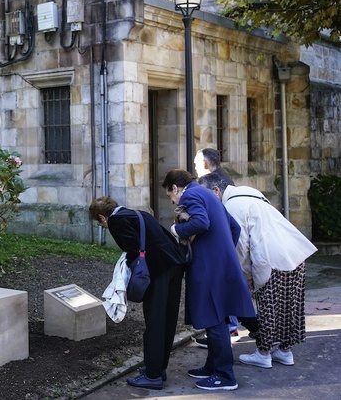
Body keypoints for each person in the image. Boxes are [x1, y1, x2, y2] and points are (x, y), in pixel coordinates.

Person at [198, 172, 318, 369]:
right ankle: (284, 352)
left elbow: (241, 247)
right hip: (293, 250)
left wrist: (246, 276)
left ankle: (264, 354)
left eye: (205, 196)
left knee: (269, 307)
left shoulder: (230, 207)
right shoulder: (248, 193)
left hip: (271, 256)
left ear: (216, 191)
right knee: (288, 306)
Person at [161, 169, 255, 391]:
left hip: (208, 267)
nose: (173, 200)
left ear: (175, 188)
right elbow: (234, 227)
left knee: (214, 320)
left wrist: (177, 229)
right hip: (220, 263)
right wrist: (222, 251)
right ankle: (213, 367)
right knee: (219, 318)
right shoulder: (207, 194)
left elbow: (201, 223)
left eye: (170, 195)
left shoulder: (191, 195)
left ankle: (224, 375)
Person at [90, 196, 187, 391]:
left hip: (158, 270)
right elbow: (164, 236)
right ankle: (159, 368)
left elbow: (132, 249)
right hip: (174, 265)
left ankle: (152, 376)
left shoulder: (117, 221)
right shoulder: (138, 213)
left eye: (100, 223)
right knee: (167, 320)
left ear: (102, 217)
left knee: (154, 322)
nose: (104, 227)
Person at [193, 147, 238, 345]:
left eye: (196, 164)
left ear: (204, 164)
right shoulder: (222, 178)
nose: (195, 168)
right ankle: (229, 327)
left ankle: (226, 330)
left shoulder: (211, 184)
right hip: (225, 245)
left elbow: (226, 221)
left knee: (224, 292)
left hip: (221, 246)